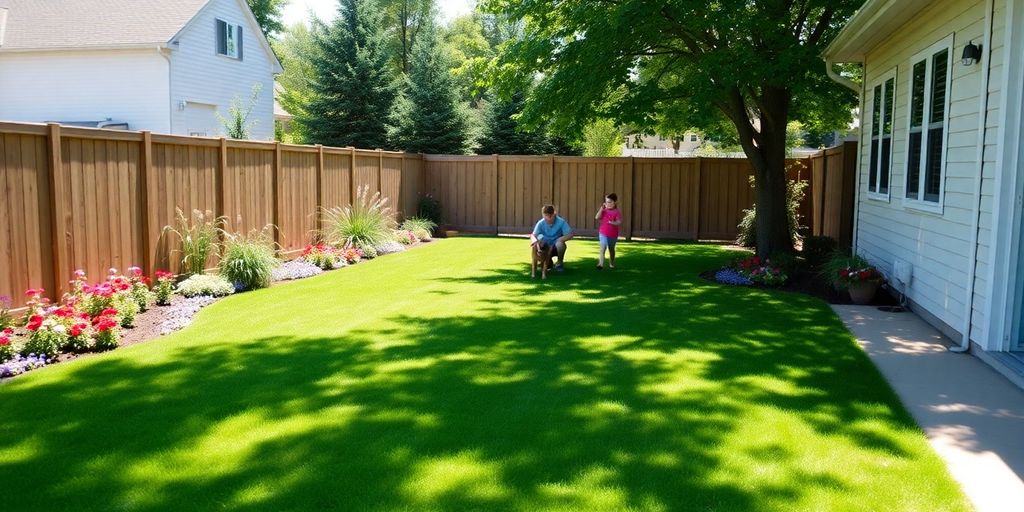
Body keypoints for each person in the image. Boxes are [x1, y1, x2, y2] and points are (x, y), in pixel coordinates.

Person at [531, 205, 573, 272]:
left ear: (554, 214)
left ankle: (559, 263)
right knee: (546, 265)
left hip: (555, 247)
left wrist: (560, 240)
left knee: (560, 244)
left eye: (550, 216)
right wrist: (535, 242)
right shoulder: (540, 223)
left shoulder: (561, 222)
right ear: (543, 215)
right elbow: (533, 235)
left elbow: (570, 235)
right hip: (545, 248)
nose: (548, 218)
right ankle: (545, 262)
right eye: (546, 216)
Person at [594, 193, 622, 269]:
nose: (608, 204)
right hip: (603, 233)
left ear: (615, 202)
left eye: (610, 202)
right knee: (603, 247)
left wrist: (612, 222)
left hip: (613, 235)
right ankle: (600, 264)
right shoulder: (604, 210)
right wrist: (601, 208)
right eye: (606, 202)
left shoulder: (616, 212)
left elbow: (619, 222)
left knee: (611, 249)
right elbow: (596, 217)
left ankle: (611, 263)